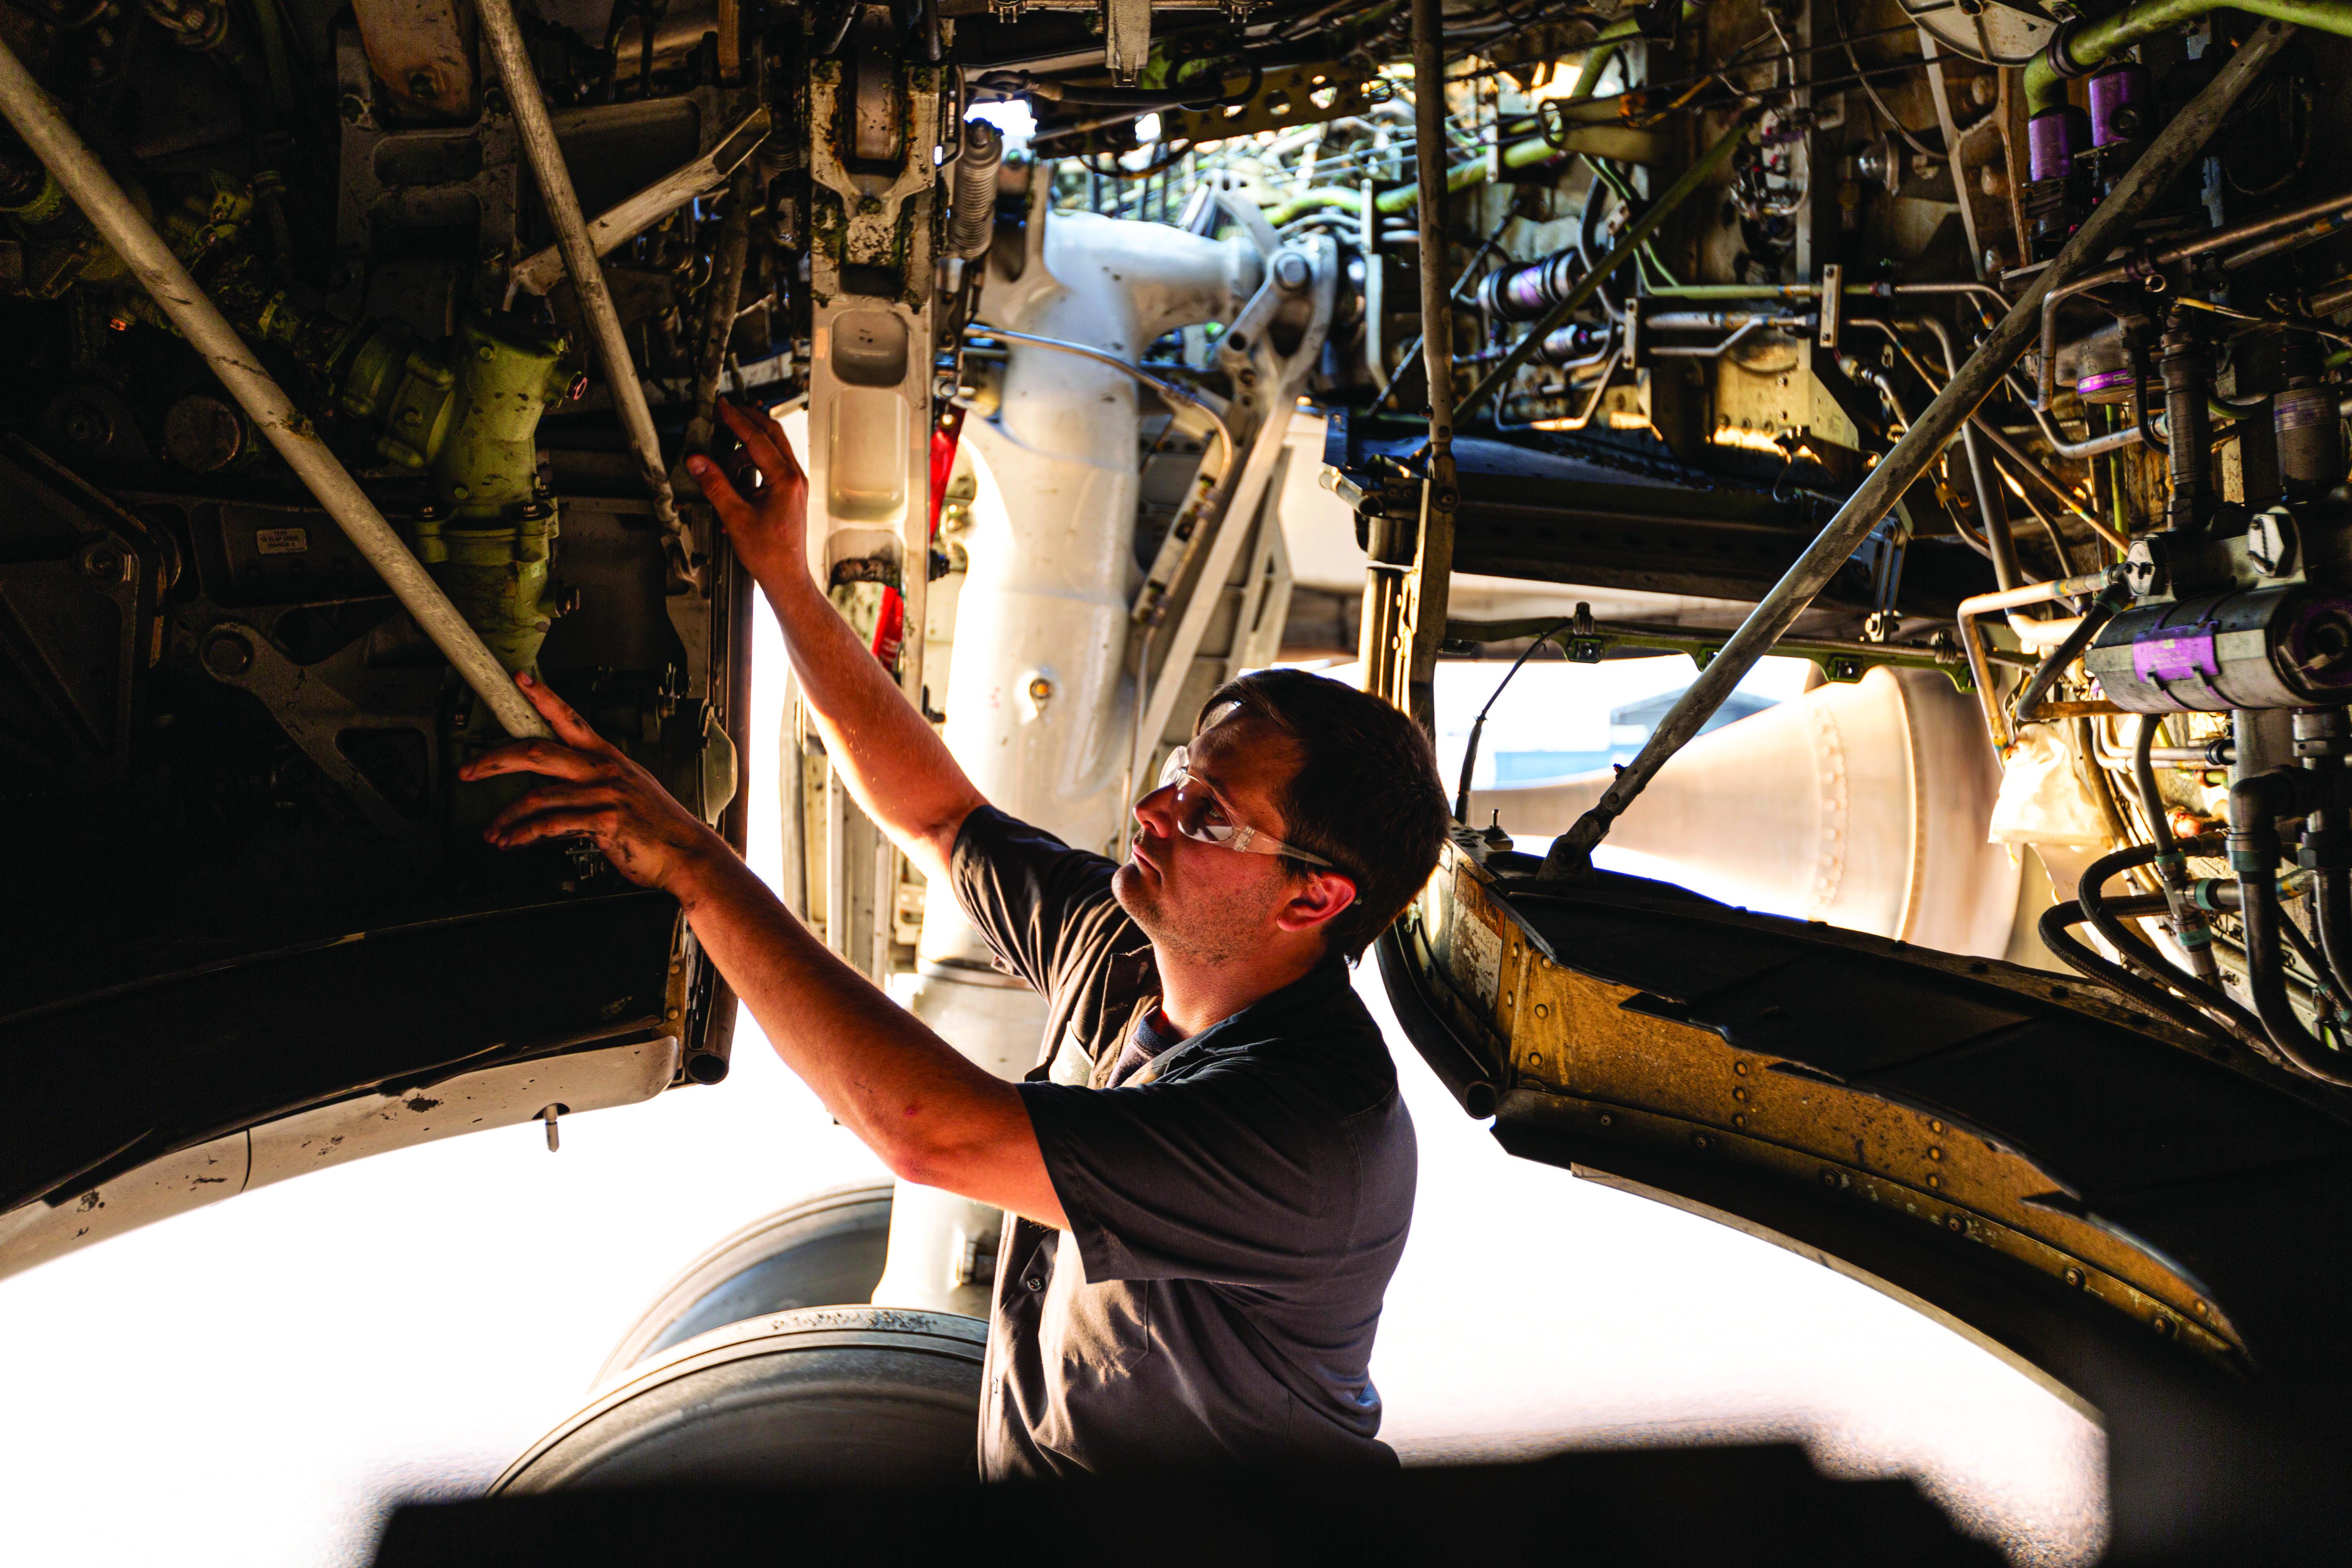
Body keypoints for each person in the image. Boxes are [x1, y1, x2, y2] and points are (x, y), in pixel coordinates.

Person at [461, 399, 1453, 1479]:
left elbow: (925, 1132)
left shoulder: (1307, 1137)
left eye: (1211, 813)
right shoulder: (1133, 953)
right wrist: (784, 580)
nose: (1158, 813)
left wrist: (694, 865)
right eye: (1179, 773)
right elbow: (937, 814)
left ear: (1313, 902)